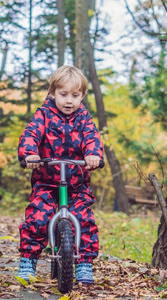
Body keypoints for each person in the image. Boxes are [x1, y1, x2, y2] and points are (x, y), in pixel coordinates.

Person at [17, 65, 104, 285]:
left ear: (82, 96)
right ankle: (28, 261)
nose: (69, 101)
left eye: (75, 96)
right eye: (63, 94)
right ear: (52, 93)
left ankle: (84, 264)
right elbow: (31, 133)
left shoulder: (84, 119)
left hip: (76, 183)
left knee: (84, 219)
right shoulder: (44, 114)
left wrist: (93, 155)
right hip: (46, 181)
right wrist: (30, 154)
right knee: (37, 217)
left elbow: (92, 138)